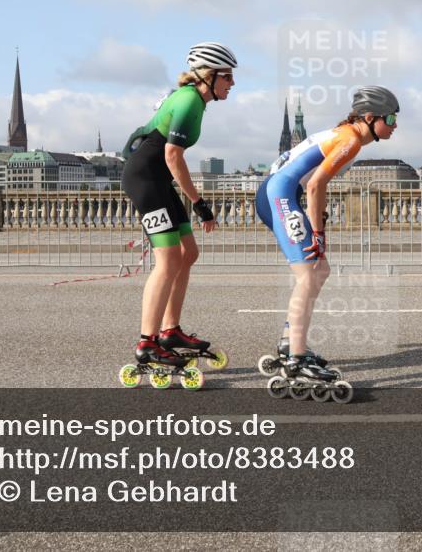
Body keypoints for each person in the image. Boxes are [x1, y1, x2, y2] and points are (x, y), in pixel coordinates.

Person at [255, 86, 400, 390]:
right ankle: (296, 358)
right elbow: (315, 185)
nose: (395, 125)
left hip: (280, 191)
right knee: (308, 273)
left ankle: (289, 341)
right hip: (281, 193)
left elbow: (305, 177)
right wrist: (318, 233)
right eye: (391, 117)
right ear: (371, 118)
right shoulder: (350, 140)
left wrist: (317, 221)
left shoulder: (343, 133)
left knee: (320, 270)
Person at [121, 42, 237, 374]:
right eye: (227, 76)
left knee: (189, 253)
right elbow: (173, 155)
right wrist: (200, 204)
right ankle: (147, 342)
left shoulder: (193, 99)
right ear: (208, 76)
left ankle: (170, 331)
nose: (232, 83)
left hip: (158, 181)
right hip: (146, 180)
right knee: (169, 261)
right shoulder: (188, 101)